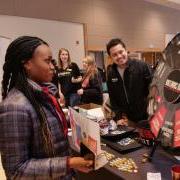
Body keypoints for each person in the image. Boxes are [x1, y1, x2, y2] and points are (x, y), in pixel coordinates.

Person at [0, 36, 93, 179]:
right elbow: (17, 171)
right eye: (47, 61)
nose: (52, 66)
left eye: (52, 61)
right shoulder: (15, 106)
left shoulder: (44, 94)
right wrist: (68, 163)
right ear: (27, 64)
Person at [106, 38, 152, 126]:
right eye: (114, 55)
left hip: (147, 116)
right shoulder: (111, 74)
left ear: (126, 50)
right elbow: (113, 98)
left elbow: (154, 89)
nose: (119, 56)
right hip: (128, 120)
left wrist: (153, 111)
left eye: (121, 52)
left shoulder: (142, 66)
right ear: (111, 57)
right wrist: (118, 117)